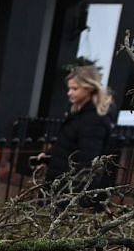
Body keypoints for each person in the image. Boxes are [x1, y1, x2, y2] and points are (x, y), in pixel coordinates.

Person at [38, 64, 118, 202]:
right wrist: (49, 156)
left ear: (89, 88)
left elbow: (87, 161)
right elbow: (68, 145)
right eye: (69, 88)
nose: (69, 93)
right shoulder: (80, 113)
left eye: (75, 88)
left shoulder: (94, 120)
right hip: (59, 183)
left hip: (67, 191)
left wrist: (72, 195)